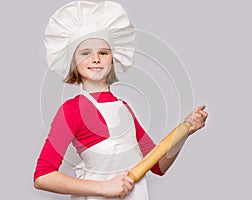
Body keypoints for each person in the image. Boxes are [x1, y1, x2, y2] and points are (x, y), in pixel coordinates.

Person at [34, 1, 208, 199]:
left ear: (113, 59)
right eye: (85, 52)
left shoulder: (123, 108)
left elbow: (158, 165)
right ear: (73, 62)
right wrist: (103, 188)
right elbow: (43, 176)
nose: (96, 59)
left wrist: (186, 129)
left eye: (103, 52)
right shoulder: (72, 110)